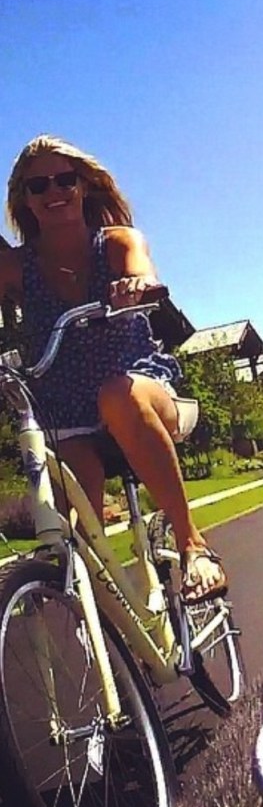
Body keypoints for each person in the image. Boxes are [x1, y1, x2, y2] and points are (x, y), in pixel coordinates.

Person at [3, 134, 228, 601]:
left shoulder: (116, 242)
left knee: (117, 396)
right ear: (24, 199)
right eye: (38, 185)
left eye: (65, 179)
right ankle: (107, 629)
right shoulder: (16, 267)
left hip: (138, 383)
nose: (53, 192)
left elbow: (139, 266)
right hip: (67, 410)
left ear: (84, 185)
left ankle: (193, 545)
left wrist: (137, 285)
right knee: (78, 545)